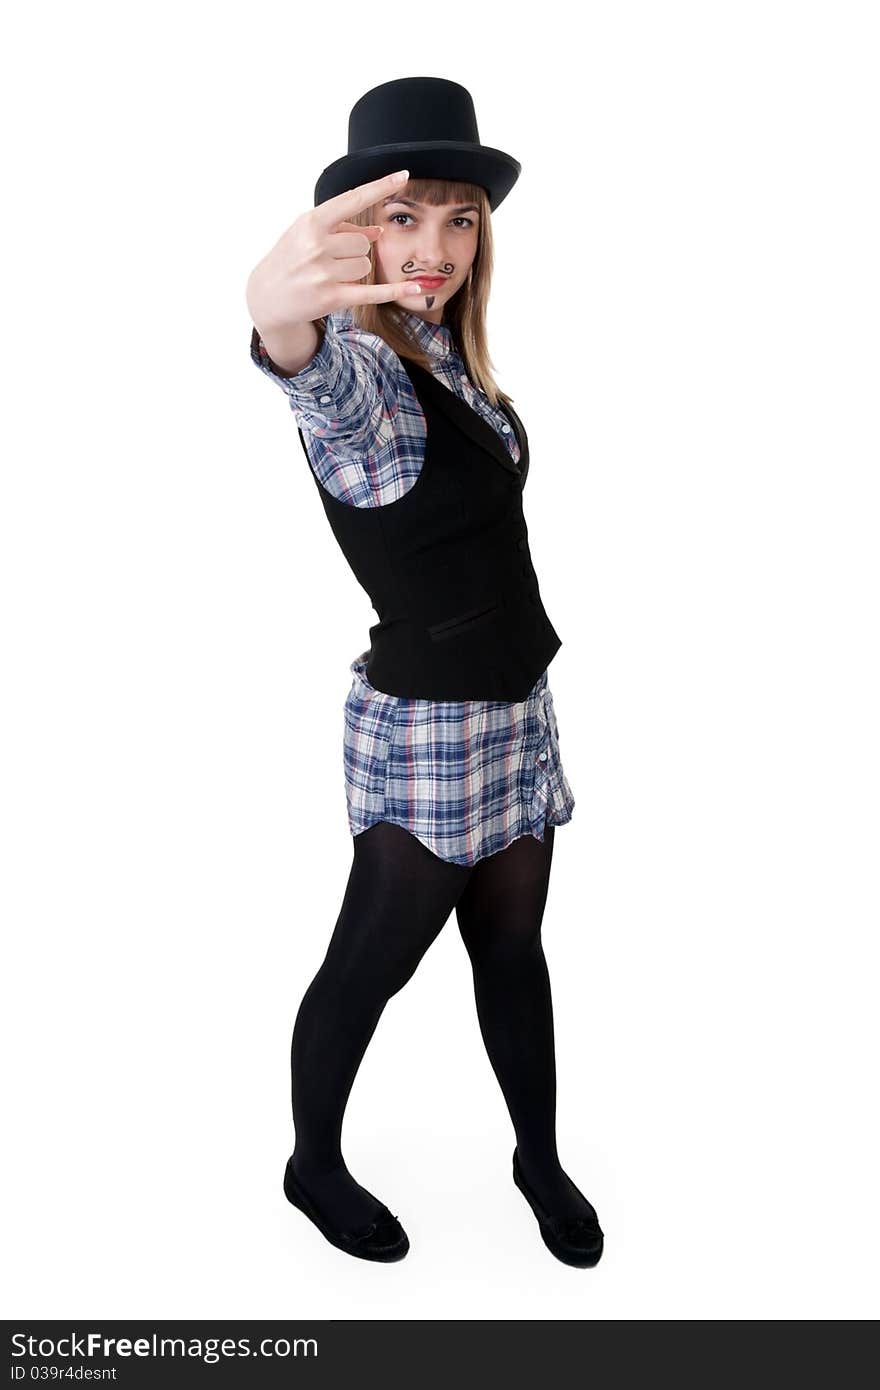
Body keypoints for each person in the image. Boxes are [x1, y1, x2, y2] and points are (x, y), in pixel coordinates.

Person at [245, 77, 604, 1268]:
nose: (435, 247)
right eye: (403, 218)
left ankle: (536, 1158)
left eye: (457, 218)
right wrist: (275, 321)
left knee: (514, 949)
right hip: (427, 732)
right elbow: (319, 389)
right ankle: (310, 1164)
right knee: (369, 962)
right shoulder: (365, 371)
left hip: (517, 714)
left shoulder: (447, 351)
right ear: (356, 230)